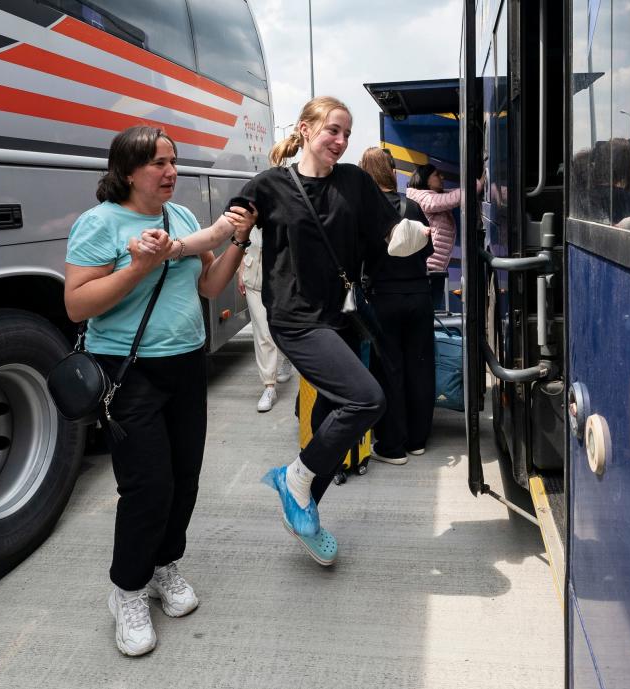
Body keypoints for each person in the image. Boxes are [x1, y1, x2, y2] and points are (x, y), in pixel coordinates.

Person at [146, 96, 429, 567]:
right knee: (367, 399)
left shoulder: (356, 182)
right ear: (305, 129)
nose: (340, 141)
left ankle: (305, 511)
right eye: (332, 130)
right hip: (295, 318)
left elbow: (392, 233)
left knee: (328, 424)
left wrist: (417, 235)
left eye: (346, 133)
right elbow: (220, 232)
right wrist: (172, 248)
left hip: (339, 317)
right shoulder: (270, 185)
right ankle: (293, 482)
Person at [64, 125, 256, 657]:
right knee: (147, 487)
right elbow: (78, 306)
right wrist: (139, 268)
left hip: (188, 365)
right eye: (158, 164)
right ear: (127, 172)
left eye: (173, 162)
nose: (171, 172)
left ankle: (164, 567)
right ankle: (127, 589)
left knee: (185, 480)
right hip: (130, 373)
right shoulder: (99, 224)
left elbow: (209, 286)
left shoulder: (183, 218)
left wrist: (237, 240)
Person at [358, 146, 435, 463]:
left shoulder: (365, 210)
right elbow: (426, 250)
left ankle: (392, 446)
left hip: (383, 299)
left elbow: (358, 257)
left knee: (389, 370)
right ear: (391, 172)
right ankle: (418, 440)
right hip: (418, 296)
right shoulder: (413, 207)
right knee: (419, 366)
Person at [406, 164, 483, 310]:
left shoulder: (431, 195)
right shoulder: (423, 198)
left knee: (431, 312)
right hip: (428, 269)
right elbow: (454, 197)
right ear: (426, 180)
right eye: (436, 175)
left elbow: (457, 192)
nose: (442, 177)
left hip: (434, 269)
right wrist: (480, 184)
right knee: (427, 312)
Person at [237, 226, 294, 412]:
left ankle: (287, 358)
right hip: (252, 276)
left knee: (280, 327)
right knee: (263, 331)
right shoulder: (250, 208)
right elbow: (241, 242)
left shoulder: (283, 205)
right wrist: (240, 270)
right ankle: (269, 386)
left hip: (280, 277)